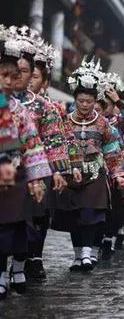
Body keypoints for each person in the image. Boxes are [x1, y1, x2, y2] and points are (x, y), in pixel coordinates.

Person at [50, 59, 124, 273]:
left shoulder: (103, 123)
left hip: (95, 175)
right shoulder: (64, 121)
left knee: (91, 214)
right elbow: (59, 146)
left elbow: (113, 149)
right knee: (74, 216)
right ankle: (77, 257)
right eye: (81, 101)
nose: (85, 105)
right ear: (75, 99)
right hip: (71, 176)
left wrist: (118, 173)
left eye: (89, 101)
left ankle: (86, 254)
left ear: (96, 101)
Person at [0, 33, 51, 299]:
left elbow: (32, 143)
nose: (9, 81)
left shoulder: (20, 111)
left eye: (13, 75)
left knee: (18, 226)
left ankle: (18, 269)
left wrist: (36, 179)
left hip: (15, 178)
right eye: (3, 75)